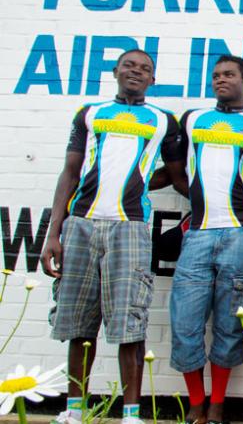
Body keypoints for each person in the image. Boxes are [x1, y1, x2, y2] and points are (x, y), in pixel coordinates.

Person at [40, 49, 185, 424]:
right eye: (130, 66)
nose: (136, 72)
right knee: (79, 324)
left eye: (145, 69)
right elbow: (69, 173)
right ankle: (74, 410)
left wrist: (136, 187)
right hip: (81, 224)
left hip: (130, 228)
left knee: (129, 324)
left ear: (153, 80)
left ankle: (131, 414)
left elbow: (173, 174)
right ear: (116, 71)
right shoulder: (89, 114)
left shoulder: (163, 120)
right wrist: (53, 233)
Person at [164, 55, 243, 424]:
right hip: (198, 234)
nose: (221, 80)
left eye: (230, 75)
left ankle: (217, 403)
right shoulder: (191, 119)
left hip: (240, 235)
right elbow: (175, 167)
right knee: (185, 322)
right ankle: (195, 401)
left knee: (229, 323)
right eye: (216, 76)